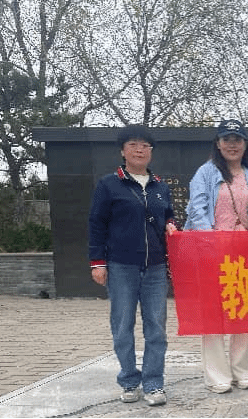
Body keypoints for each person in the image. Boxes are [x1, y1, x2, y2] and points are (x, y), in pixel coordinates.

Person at [88, 125, 177, 407]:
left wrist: (171, 224)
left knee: (156, 329)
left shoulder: (160, 186)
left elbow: (168, 215)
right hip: (121, 267)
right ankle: (129, 380)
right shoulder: (109, 184)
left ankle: (153, 383)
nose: (140, 150)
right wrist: (97, 263)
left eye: (145, 145)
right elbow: (97, 224)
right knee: (123, 326)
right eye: (133, 145)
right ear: (123, 151)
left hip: (155, 269)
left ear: (151, 151)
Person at [184, 119, 248, 394]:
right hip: (212, 252)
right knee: (213, 315)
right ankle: (217, 376)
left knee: (243, 311)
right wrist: (210, 243)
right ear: (218, 143)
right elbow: (197, 209)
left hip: (245, 253)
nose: (232, 144)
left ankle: (243, 371)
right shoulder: (205, 173)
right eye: (226, 139)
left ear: (245, 144)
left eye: (237, 139)